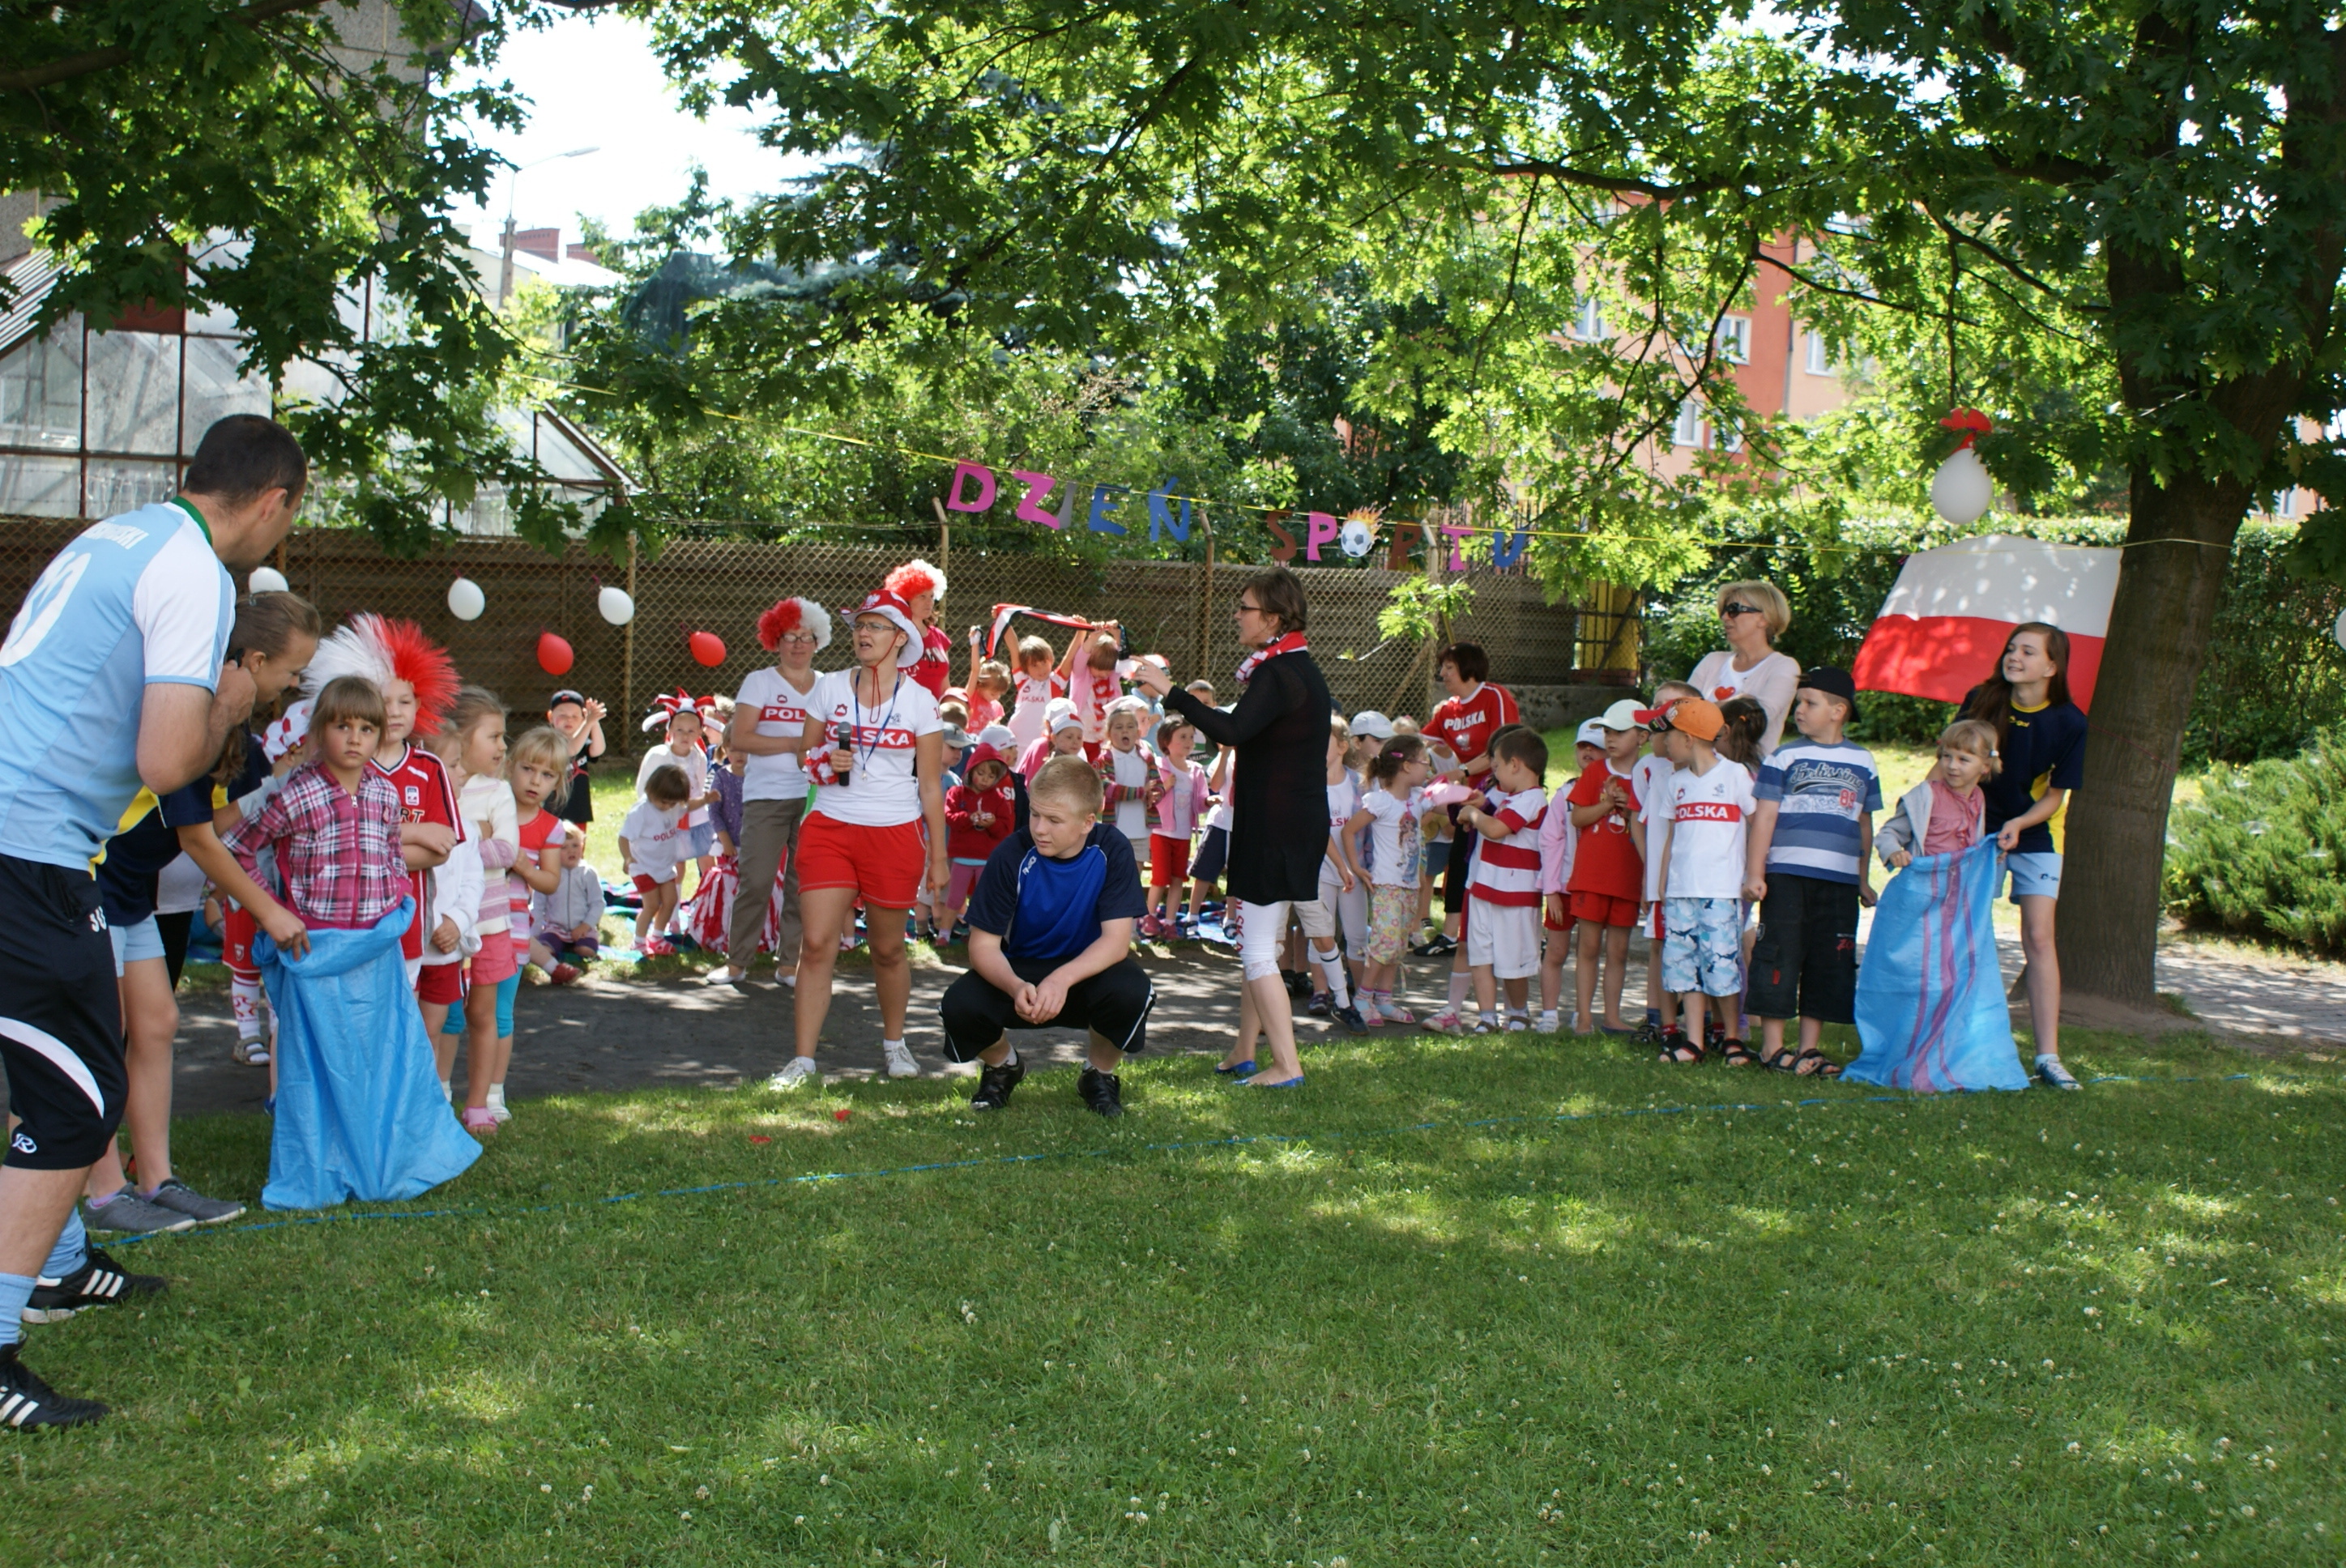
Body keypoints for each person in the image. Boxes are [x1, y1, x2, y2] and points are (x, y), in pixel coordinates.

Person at [0, 413, 303, 1426]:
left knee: (67, 1076)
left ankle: (60, 1266)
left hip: (38, 845)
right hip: (24, 851)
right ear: (274, 502)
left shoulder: (118, 535)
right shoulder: (196, 574)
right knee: (76, 1100)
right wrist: (226, 703)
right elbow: (169, 761)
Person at [81, 591, 321, 1237]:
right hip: (92, 883)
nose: (292, 685)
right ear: (255, 659)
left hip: (130, 892)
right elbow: (196, 839)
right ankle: (104, 1192)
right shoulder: (188, 714)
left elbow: (214, 820)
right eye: (291, 671)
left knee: (157, 1023)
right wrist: (269, 911)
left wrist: (277, 786)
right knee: (103, 1035)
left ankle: (157, 1179)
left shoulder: (234, 729)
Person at [223, 675, 480, 1209]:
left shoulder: (384, 794)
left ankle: (382, 1159)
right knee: (316, 1064)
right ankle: (320, 1166)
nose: (355, 739)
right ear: (321, 730)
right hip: (315, 950)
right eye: (343, 727)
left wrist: (394, 900)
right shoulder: (297, 792)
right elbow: (240, 848)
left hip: (375, 951)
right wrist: (271, 910)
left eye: (367, 728)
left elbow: (388, 855)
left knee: (376, 1058)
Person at [1131, 566, 1329, 1087]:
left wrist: (1170, 690)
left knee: (1259, 949)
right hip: (1288, 822)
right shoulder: (1293, 667)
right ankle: (1245, 1050)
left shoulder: (1279, 672)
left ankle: (1286, 1065)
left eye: (1245, 607)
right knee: (1263, 942)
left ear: (1274, 617)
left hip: (1276, 827)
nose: (1237, 615)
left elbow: (1232, 730)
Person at [776, 589, 950, 1086]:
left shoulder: (921, 701)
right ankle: (803, 1061)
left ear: (901, 638)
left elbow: (931, 784)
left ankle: (895, 1046)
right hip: (830, 827)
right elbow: (804, 757)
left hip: (894, 832)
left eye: (875, 625)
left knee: (888, 950)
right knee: (816, 944)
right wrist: (824, 760)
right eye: (859, 625)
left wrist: (939, 857)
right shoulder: (829, 687)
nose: (863, 633)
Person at [941, 756, 1153, 1115]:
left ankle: (1099, 1074)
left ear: (1088, 822)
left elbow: (1117, 942)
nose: (1040, 828)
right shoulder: (1011, 854)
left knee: (1133, 991)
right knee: (959, 1005)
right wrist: (1014, 986)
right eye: (1035, 814)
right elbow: (982, 947)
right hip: (1020, 972)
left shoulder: (1112, 849)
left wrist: (1062, 979)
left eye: (1054, 820)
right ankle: (1004, 1066)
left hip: (1086, 973)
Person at [1956, 623, 2087, 1090]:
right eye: (2012, 649)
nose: (2015, 657)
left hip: (2036, 834)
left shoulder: (2071, 722)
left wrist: (2018, 824)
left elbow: (2054, 797)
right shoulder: (1982, 699)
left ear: (2052, 666)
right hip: (1976, 831)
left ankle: (2048, 1057)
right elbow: (1949, 762)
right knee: (1967, 934)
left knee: (2039, 937)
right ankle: (1960, 1041)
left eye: (2029, 652)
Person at [301, 614, 462, 987]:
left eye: (404, 701)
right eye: (383, 700)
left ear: (419, 703)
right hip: (346, 925)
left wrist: (368, 848)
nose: (393, 711)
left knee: (399, 1013)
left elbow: (441, 850)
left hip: (407, 928)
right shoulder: (344, 767)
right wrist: (415, 832)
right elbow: (336, 842)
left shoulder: (430, 769)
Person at [1743, 667, 1881, 1076]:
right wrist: (1755, 872)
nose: (1799, 710)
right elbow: (1764, 817)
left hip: (1839, 880)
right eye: (1798, 702)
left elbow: (1864, 823)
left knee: (1827, 960)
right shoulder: (1784, 757)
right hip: (1787, 874)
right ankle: (1772, 1047)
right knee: (1779, 954)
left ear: (1839, 711)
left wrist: (1862, 878)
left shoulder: (1863, 761)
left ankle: (1809, 1049)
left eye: (1809, 703)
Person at [714, 596, 830, 990]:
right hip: (766, 795)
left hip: (815, 797)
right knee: (756, 879)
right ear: (775, 640)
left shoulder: (828, 685)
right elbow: (742, 739)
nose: (798, 644)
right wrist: (796, 744)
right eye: (789, 637)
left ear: (818, 641)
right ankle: (737, 963)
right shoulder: (759, 681)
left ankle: (789, 965)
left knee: (802, 883)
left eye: (806, 637)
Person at [1648, 699, 1756, 1063]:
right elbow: (1672, 836)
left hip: (1720, 891)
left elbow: (1756, 821)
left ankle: (1732, 1037)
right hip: (1681, 892)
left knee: (1722, 964)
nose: (1665, 742)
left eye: (1670, 735)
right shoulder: (1676, 782)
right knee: (1684, 967)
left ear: (1689, 738)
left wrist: (1753, 872)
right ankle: (1694, 1041)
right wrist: (1663, 882)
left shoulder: (1735, 775)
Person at [433, 688, 518, 1136]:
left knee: (482, 1015)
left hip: (489, 924)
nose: (503, 747)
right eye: (494, 736)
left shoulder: (498, 791)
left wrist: (459, 841)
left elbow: (506, 851)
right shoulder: (437, 783)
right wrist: (473, 835)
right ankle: (438, 1094)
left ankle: (480, 1104)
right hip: (442, 926)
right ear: (462, 737)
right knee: (444, 1015)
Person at [1425, 643, 1521, 954]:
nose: (1442, 674)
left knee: (1501, 861)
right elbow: (1422, 742)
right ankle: (1452, 933)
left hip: (1502, 794)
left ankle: (1519, 931)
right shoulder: (1448, 710)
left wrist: (1461, 771)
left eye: (1449, 668)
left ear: (1468, 669)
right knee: (1460, 859)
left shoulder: (1494, 696)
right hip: (1469, 797)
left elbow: (1505, 746)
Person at [1456, 727, 1549, 1033]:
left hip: (1515, 895)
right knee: (1481, 956)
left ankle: (1518, 1013)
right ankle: (1487, 1017)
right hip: (1484, 888)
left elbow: (1497, 830)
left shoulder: (1532, 798)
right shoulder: (1511, 799)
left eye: (1497, 766)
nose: (1494, 773)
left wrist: (1472, 815)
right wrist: (1480, 812)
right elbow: (1494, 824)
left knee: (1514, 961)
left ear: (1515, 765)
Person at [1566, 699, 1648, 1033]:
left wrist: (1629, 810)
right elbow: (1577, 818)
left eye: (1619, 732)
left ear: (1642, 737)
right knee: (1588, 947)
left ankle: (1612, 1017)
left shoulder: (1649, 775)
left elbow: (1652, 825)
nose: (1610, 739)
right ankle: (1584, 1017)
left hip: (1628, 878)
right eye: (1607, 732)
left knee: (1619, 951)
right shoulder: (1595, 772)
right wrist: (1606, 804)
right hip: (1592, 875)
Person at [1630, 681, 1699, 1041]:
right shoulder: (1650, 769)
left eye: (1662, 722)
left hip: (1701, 881)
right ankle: (1657, 1018)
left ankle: (1704, 1023)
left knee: (1700, 947)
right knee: (1660, 944)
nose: (1654, 731)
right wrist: (1650, 873)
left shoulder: (1713, 771)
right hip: (1663, 881)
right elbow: (1639, 823)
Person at [1347, 734, 1432, 1023]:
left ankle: (1384, 999)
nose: (1428, 768)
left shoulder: (1419, 798)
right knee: (1385, 942)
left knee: (1397, 945)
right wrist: (1357, 867)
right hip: (1387, 885)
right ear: (1407, 766)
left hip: (1410, 885)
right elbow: (1349, 830)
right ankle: (1363, 998)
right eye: (1424, 762)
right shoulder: (1380, 801)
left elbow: (1443, 804)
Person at [1534, 722, 1601, 1033]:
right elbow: (1549, 840)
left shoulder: (1616, 792)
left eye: (1595, 747)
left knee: (1589, 951)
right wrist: (1550, 890)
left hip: (1594, 886)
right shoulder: (1565, 793)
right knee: (1556, 951)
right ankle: (1549, 1014)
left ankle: (1582, 1013)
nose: (1587, 751)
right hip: (1563, 887)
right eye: (1582, 745)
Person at [1687, 580, 1799, 757]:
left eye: (1734, 610)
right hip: (1698, 769)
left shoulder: (1783, 666)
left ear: (1763, 618)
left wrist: (1700, 712)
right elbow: (1680, 713)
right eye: (1723, 611)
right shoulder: (1712, 661)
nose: (1725, 617)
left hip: (1750, 771)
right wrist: (1740, 703)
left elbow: (1757, 720)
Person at [1875, 719, 1999, 868]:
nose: (1952, 765)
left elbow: (1973, 844)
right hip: (1924, 880)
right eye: (1947, 756)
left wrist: (1991, 852)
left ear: (1985, 766)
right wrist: (1894, 852)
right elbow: (1889, 833)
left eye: (1963, 759)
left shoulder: (1977, 796)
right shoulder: (1926, 795)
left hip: (1960, 881)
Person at [505, 725, 575, 989]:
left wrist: (527, 870)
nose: (535, 781)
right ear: (510, 767)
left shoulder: (550, 827)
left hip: (513, 925)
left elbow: (551, 881)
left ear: (557, 782)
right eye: (528, 769)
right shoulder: (489, 808)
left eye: (547, 775)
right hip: (470, 921)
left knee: (501, 1007)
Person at [637, 693, 713, 922]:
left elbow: (699, 786)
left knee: (707, 857)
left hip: (693, 814)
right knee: (675, 866)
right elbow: (643, 788)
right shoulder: (658, 755)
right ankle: (673, 915)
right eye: (679, 730)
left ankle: (710, 904)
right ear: (669, 730)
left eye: (691, 731)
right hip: (666, 815)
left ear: (700, 733)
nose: (685, 736)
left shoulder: (699, 757)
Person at [941, 743, 1017, 944]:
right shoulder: (957, 793)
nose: (985, 780)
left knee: (983, 900)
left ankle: (976, 936)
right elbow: (950, 817)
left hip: (986, 859)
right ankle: (944, 934)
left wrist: (992, 823)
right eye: (981, 773)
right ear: (971, 771)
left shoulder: (999, 799)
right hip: (962, 857)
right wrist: (969, 818)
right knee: (955, 898)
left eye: (991, 776)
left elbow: (1005, 829)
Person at [1142, 717, 1209, 939]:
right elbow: (1150, 799)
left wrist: (1209, 802)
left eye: (1191, 737)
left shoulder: (1196, 771)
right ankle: (1149, 917)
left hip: (1183, 835)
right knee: (1160, 879)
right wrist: (1165, 786)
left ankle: (1170, 922)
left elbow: (1200, 804)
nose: (1189, 742)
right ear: (1166, 742)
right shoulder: (1159, 766)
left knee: (1178, 879)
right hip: (1161, 833)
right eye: (1183, 737)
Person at [620, 765, 692, 956]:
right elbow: (624, 837)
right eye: (664, 802)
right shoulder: (641, 812)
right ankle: (638, 941)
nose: (667, 807)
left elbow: (688, 807)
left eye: (672, 803)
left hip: (664, 865)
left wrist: (706, 800)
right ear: (652, 790)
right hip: (643, 866)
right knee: (651, 905)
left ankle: (657, 937)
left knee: (671, 900)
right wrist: (627, 857)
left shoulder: (673, 807)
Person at [531, 833, 606, 972]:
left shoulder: (588, 873)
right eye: (564, 847)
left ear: (582, 847)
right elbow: (538, 906)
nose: (571, 851)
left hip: (583, 928)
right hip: (555, 928)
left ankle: (576, 946)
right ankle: (560, 947)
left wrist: (585, 926)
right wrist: (534, 933)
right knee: (543, 951)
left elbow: (598, 903)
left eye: (575, 845)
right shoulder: (548, 874)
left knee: (586, 951)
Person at [886, 560, 956, 701]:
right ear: (906, 599)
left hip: (934, 710)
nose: (929, 602)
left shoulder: (939, 636)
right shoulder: (893, 636)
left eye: (932, 596)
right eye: (922, 596)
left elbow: (945, 686)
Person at [545, 689, 608, 832]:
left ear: (582, 718)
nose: (569, 719)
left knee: (575, 844)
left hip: (578, 809)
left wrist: (594, 722)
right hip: (553, 810)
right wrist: (588, 723)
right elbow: (571, 750)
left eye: (575, 716)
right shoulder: (549, 741)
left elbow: (598, 750)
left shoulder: (583, 741)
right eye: (563, 715)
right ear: (550, 717)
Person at [1006, 634, 1064, 752]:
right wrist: (1002, 622)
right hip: (1014, 741)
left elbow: (1070, 656)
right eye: (1034, 665)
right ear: (1026, 668)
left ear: (1051, 660)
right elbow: (1013, 647)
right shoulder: (1022, 679)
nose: (1041, 669)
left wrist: (1082, 631)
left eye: (1044, 663)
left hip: (1041, 744)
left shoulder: (1056, 682)